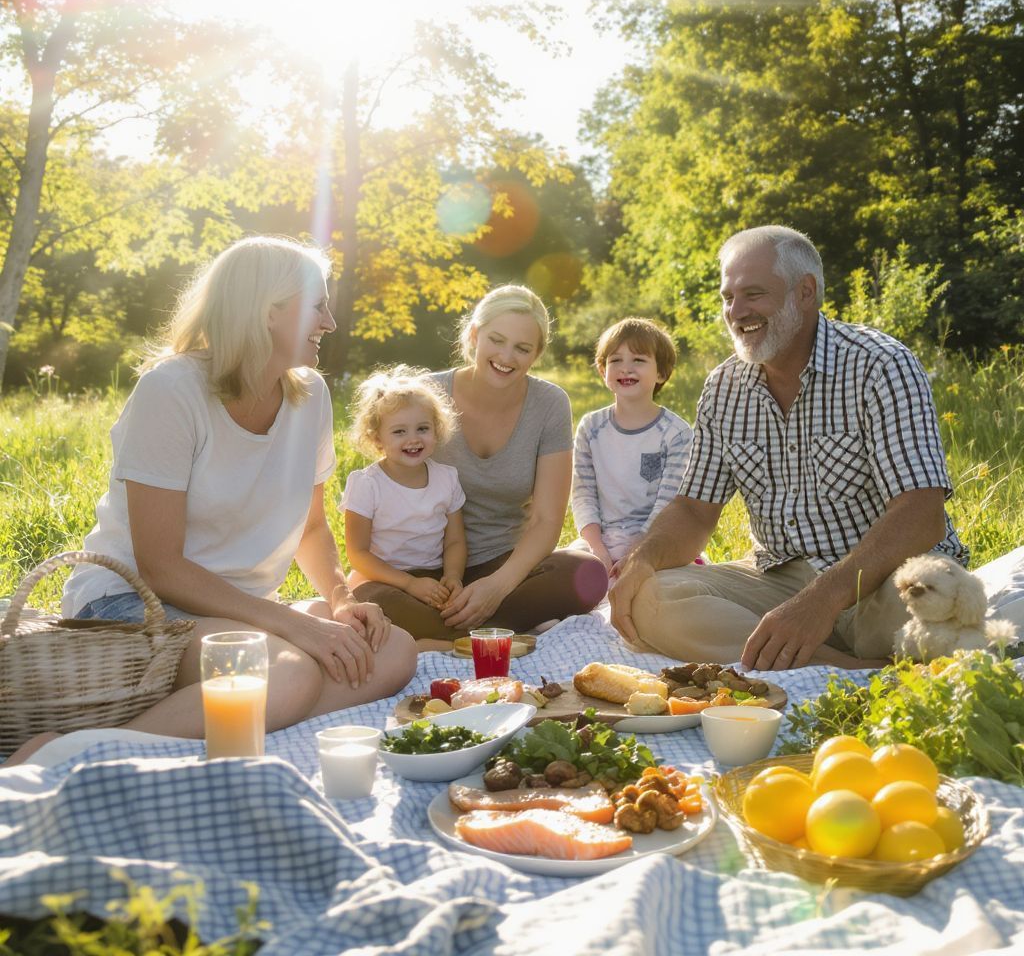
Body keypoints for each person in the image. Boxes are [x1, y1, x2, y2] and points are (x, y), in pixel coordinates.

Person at [58, 236, 418, 740]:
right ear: (269, 312)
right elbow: (161, 567)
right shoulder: (171, 391)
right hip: (134, 604)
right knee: (285, 672)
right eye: (318, 306)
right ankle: (78, 753)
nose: (330, 323)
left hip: (236, 609)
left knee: (393, 651)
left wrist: (339, 600)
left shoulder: (310, 395)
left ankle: (234, 716)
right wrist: (293, 626)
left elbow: (312, 528)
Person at [609, 225, 966, 671]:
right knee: (651, 598)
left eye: (753, 294)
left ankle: (797, 655)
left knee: (934, 606)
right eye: (727, 297)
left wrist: (821, 602)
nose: (736, 312)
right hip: (779, 581)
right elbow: (694, 511)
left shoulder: (881, 365)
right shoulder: (723, 387)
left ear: (806, 292)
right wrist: (643, 559)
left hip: (885, 581)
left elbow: (921, 514)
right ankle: (838, 666)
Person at [357, 285, 609, 639]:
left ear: (536, 353)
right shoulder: (425, 395)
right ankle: (496, 629)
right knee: (370, 596)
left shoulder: (550, 404)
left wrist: (496, 587)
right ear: (474, 334)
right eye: (496, 339)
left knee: (587, 574)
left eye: (522, 348)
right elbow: (385, 478)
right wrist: (415, 582)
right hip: (424, 571)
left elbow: (546, 519)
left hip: (506, 562)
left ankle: (447, 635)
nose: (506, 356)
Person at [343, 366, 468, 616]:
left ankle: (434, 635)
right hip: (381, 578)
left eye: (422, 429)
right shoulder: (367, 484)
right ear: (377, 438)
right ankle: (437, 639)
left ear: (436, 430)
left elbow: (455, 541)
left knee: (461, 604)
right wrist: (409, 584)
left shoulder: (447, 478)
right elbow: (357, 553)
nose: (413, 439)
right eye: (399, 431)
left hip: (431, 577)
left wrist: (453, 577)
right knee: (381, 607)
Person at [571, 317, 693, 571]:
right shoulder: (591, 428)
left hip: (654, 540)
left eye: (638, 360)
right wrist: (597, 549)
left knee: (653, 588)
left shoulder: (676, 434)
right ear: (603, 371)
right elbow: (583, 494)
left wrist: (637, 551)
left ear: (661, 372)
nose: (625, 369)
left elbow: (668, 503)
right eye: (615, 360)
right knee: (560, 575)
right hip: (600, 541)